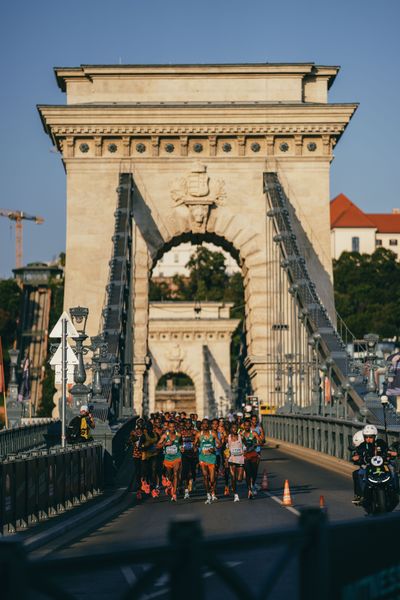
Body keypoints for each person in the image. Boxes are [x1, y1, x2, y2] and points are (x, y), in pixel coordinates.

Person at [351, 424, 398, 500]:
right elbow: (356, 453)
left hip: (383, 465)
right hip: (368, 466)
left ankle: (396, 491)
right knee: (359, 473)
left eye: (370, 437)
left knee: (392, 471)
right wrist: (355, 457)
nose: (368, 439)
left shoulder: (381, 443)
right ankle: (360, 495)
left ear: (375, 436)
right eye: (366, 437)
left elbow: (388, 450)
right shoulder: (362, 445)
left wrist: (392, 453)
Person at [195, 418, 220, 504]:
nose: (205, 425)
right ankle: (208, 494)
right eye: (203, 424)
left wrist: (215, 448)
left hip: (212, 458)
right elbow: (195, 445)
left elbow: (218, 443)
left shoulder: (213, 433)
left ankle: (212, 490)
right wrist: (196, 448)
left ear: (208, 425)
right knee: (205, 476)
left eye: (207, 424)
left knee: (212, 479)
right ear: (201, 425)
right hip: (202, 458)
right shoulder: (198, 434)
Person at [157, 420, 182, 502]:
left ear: (175, 427)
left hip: (177, 457)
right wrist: (165, 444)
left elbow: (181, 444)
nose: (172, 428)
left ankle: (174, 494)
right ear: (168, 427)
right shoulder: (164, 436)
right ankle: (169, 483)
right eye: (170, 427)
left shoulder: (179, 435)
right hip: (168, 458)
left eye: (173, 427)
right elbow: (157, 445)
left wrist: (182, 448)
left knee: (176, 473)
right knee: (170, 475)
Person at [241, 418, 261, 499]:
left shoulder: (254, 433)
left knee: (254, 473)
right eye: (245, 425)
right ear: (243, 426)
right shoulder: (241, 434)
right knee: (248, 473)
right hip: (245, 455)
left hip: (253, 454)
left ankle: (253, 484)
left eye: (248, 426)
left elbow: (260, 442)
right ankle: (250, 489)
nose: (246, 427)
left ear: (250, 426)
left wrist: (256, 444)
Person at [226, 422, 245, 502]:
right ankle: (235, 494)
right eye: (233, 428)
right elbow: (226, 448)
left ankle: (233, 485)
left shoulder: (241, 437)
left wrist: (245, 449)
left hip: (240, 458)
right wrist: (226, 459)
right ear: (231, 429)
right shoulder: (228, 437)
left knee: (239, 479)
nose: (235, 429)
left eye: (236, 428)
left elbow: (245, 445)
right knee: (233, 478)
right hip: (231, 459)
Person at [181, 418, 198, 499]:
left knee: (193, 471)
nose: (188, 425)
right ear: (185, 424)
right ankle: (186, 490)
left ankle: (193, 480)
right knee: (185, 472)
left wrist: (196, 446)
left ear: (191, 424)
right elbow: (178, 441)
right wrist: (180, 447)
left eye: (189, 423)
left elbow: (199, 441)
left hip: (193, 454)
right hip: (184, 454)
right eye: (186, 423)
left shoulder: (194, 432)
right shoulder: (181, 432)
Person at [251, 414, 265, 491]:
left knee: (255, 469)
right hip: (248, 451)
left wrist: (259, 440)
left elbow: (263, 440)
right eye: (253, 420)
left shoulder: (259, 428)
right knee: (249, 469)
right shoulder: (247, 429)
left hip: (257, 450)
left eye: (256, 420)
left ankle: (253, 483)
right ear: (251, 421)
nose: (254, 422)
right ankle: (251, 484)